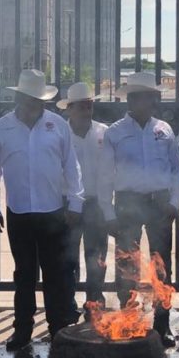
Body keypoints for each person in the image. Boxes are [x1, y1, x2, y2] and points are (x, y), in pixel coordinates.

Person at [0, 69, 84, 350]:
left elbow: (71, 167)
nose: (35, 104)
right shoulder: (2, 127)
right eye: (30, 98)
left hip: (53, 212)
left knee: (55, 275)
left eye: (39, 99)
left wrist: (76, 202)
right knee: (24, 275)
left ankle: (57, 328)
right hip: (19, 212)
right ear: (19, 97)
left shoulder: (57, 125)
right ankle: (22, 330)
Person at [98, 72, 179, 347]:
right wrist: (109, 213)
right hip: (128, 203)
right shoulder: (115, 133)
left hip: (160, 203)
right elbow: (104, 177)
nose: (146, 102)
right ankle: (129, 320)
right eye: (140, 97)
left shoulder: (165, 130)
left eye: (149, 97)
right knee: (127, 265)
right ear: (131, 100)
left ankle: (162, 324)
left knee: (162, 267)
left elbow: (176, 171)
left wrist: (174, 202)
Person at [57, 82, 109, 314]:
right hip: (68, 203)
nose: (87, 111)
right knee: (68, 258)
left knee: (96, 257)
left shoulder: (103, 132)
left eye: (89, 106)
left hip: (96, 203)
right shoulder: (60, 133)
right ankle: (68, 305)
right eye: (81, 106)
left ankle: (94, 304)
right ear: (69, 109)